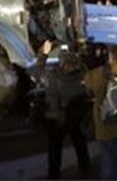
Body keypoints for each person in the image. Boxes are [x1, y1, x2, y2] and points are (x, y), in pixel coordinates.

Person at [35, 40, 91, 179]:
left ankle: (54, 174)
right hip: (74, 116)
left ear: (61, 64)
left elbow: (37, 73)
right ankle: (85, 167)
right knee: (79, 141)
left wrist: (44, 55)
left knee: (54, 148)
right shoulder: (83, 78)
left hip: (54, 117)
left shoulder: (52, 77)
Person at [84, 45, 117, 179]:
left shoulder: (94, 74)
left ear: (109, 56)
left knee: (107, 162)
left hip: (103, 127)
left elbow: (87, 90)